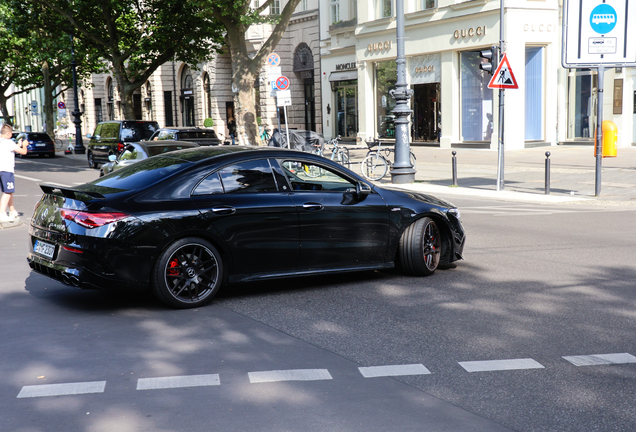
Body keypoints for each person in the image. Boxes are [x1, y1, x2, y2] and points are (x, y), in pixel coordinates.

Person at [0, 124, 28, 222]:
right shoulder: (9, 142)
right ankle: (2, 213)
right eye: (11, 134)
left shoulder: (2, 141)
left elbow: (13, 148)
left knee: (9, 190)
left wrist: (18, 144)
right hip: (7, 170)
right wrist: (24, 145)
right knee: (8, 192)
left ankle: (12, 211)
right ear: (8, 134)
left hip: (1, 170)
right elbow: (23, 152)